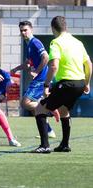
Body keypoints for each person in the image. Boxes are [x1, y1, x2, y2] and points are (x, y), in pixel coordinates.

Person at [33, 16, 92, 153]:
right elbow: (89, 64)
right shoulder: (78, 43)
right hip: (79, 83)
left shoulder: (56, 42)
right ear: (66, 27)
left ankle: (44, 146)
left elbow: (54, 66)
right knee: (64, 110)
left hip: (66, 83)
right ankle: (65, 144)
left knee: (40, 109)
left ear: (53, 28)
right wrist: (87, 83)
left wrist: (46, 85)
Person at [10, 20, 57, 138]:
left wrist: (36, 71)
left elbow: (45, 57)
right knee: (33, 109)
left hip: (41, 78)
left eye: (25, 30)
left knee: (25, 103)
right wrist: (16, 69)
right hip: (39, 78)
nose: (23, 33)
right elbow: (27, 64)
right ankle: (49, 131)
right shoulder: (28, 44)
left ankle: (48, 110)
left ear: (31, 30)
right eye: (21, 31)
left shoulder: (35, 42)